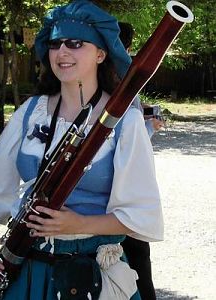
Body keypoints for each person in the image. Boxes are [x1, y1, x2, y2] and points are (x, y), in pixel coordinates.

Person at [0, 1, 163, 299]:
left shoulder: (125, 121)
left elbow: (141, 214)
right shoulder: (31, 112)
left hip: (92, 273)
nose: (62, 52)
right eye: (55, 43)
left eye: (75, 43)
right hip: (28, 268)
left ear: (101, 53)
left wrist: (79, 223)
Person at [119, 21, 164, 300]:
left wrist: (146, 126)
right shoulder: (127, 80)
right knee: (137, 267)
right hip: (124, 194)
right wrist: (148, 128)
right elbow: (131, 145)